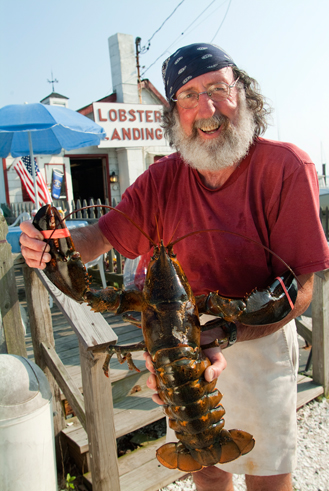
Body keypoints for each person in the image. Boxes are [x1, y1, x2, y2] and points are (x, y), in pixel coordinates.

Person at [20, 43, 329, 491]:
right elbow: (96, 240)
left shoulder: (286, 166)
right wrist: (53, 245)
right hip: (180, 344)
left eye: (219, 89)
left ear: (242, 94)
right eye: (188, 95)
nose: (206, 108)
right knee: (205, 471)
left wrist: (225, 330)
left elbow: (302, 286)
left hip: (258, 336)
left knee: (268, 477)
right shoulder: (162, 179)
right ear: (174, 112)